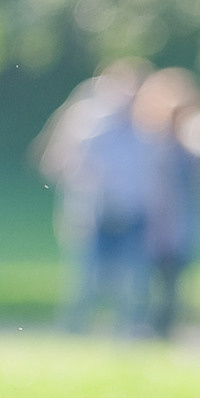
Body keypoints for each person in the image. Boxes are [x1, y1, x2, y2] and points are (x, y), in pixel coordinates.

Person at [33, 60, 153, 334]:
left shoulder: (145, 123)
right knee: (86, 282)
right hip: (95, 212)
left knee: (131, 283)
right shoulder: (88, 119)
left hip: (133, 212)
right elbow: (56, 162)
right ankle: (74, 334)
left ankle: (126, 337)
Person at [134, 66, 200, 339]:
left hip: (179, 221)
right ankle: (144, 324)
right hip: (150, 219)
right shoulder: (148, 137)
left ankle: (164, 328)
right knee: (145, 275)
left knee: (173, 277)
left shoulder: (198, 138)